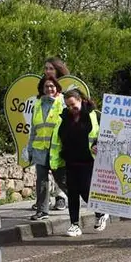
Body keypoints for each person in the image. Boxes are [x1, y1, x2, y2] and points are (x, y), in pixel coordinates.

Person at [50, 89, 109, 237]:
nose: (71, 109)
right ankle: (74, 225)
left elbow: (108, 135)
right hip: (70, 160)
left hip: (89, 161)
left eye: (73, 105)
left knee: (86, 191)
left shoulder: (94, 115)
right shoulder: (63, 118)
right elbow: (56, 141)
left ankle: (101, 212)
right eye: (68, 106)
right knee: (73, 194)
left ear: (80, 100)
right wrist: (55, 161)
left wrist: (98, 145)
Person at [28, 76, 68, 220]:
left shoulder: (62, 103)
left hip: (56, 151)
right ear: (42, 89)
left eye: (52, 86)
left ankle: (89, 206)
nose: (49, 89)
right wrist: (30, 149)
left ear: (57, 87)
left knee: (63, 181)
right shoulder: (37, 104)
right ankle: (42, 211)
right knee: (42, 181)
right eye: (46, 86)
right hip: (40, 149)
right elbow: (34, 129)